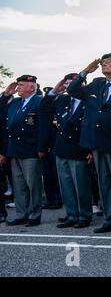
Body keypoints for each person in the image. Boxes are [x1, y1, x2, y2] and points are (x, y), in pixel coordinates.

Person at [67, 53, 111, 235]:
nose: (104, 64)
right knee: (104, 182)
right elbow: (73, 90)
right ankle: (109, 219)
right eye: (103, 62)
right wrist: (84, 72)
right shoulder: (96, 84)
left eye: (109, 62)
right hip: (97, 142)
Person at [40, 73, 93, 229]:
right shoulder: (63, 100)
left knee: (80, 185)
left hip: (79, 149)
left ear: (82, 85)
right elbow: (43, 109)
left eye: (73, 83)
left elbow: (91, 128)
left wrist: (90, 149)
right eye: (67, 83)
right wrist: (54, 91)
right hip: (61, 148)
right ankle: (71, 214)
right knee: (66, 185)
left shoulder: (88, 101)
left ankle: (84, 215)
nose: (69, 86)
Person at [0, 75, 47, 227]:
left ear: (32, 87)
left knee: (33, 185)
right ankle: (21, 214)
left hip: (31, 149)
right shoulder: (15, 102)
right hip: (15, 150)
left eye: (21, 85)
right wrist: (6, 94)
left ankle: (34, 215)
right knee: (19, 185)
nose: (18, 87)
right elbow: (1, 111)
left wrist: (41, 148)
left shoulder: (39, 102)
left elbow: (43, 128)